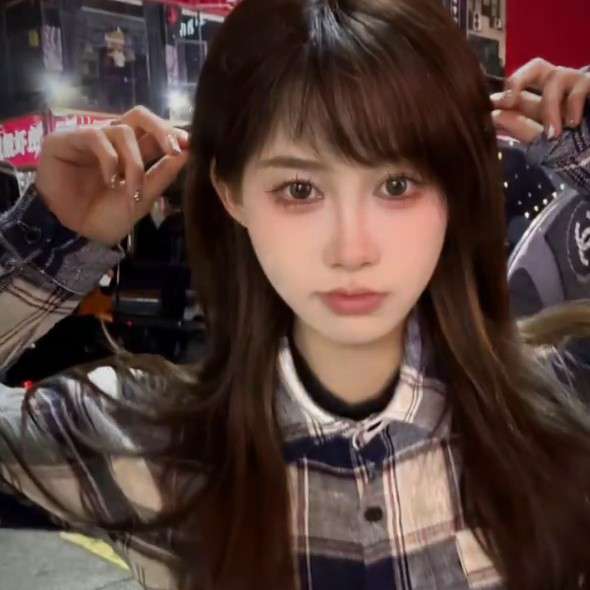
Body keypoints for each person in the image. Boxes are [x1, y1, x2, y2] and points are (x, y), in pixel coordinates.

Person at [1, 1, 590, 589]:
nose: (351, 250)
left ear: (454, 190)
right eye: (300, 189)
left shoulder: (558, 409)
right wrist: (46, 241)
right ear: (232, 193)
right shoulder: (145, 444)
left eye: (396, 184)